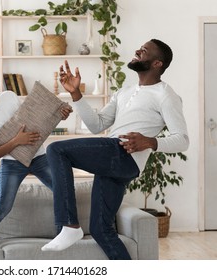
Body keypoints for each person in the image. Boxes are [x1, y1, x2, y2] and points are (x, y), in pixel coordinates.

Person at [41, 39, 189, 259]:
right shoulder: (124, 91)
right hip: (114, 161)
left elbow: (182, 140)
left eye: (144, 51)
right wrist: (76, 95)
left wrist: (149, 141)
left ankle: (69, 224)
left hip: (121, 154)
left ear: (157, 63)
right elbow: (97, 125)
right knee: (102, 230)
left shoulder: (166, 95)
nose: (138, 50)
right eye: (139, 47)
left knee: (56, 150)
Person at [0, 67, 72, 250]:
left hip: (39, 156)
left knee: (63, 191)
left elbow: (34, 120)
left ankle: (63, 237)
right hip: (12, 164)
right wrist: (16, 141)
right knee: (3, 206)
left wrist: (60, 115)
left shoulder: (9, 96)